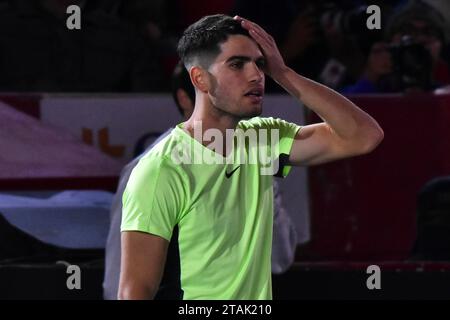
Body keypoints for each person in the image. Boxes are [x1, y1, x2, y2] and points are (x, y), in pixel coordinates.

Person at [119, 14, 383, 300]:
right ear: (200, 78)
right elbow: (135, 290)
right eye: (236, 64)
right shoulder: (162, 169)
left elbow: (363, 136)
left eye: (259, 63)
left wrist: (283, 73)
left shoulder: (263, 138)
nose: (256, 75)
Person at [104, 61, 298, 299]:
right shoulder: (151, 169)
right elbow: (119, 283)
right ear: (185, 98)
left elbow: (280, 258)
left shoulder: (256, 160)